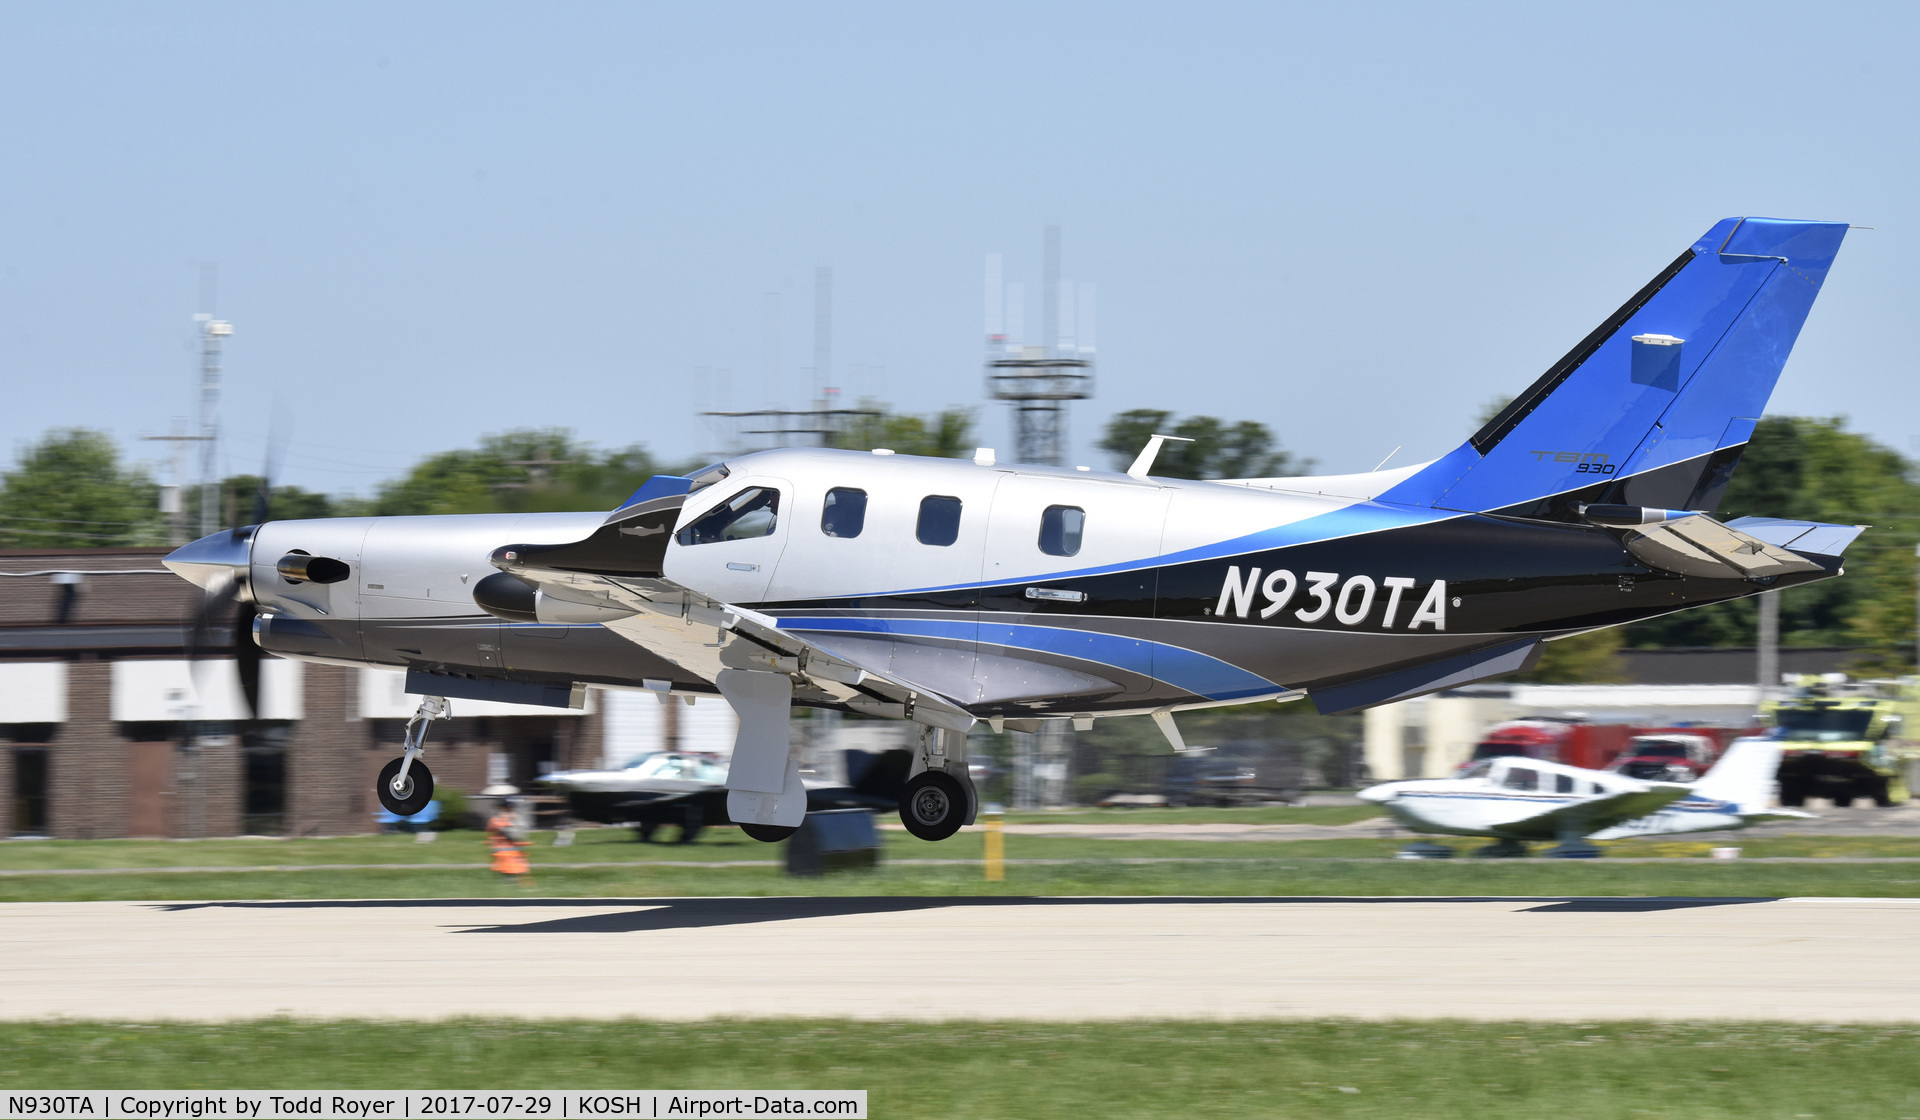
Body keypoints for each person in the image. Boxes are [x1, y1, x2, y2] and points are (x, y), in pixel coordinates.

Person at [484, 788, 534, 886]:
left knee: (518, 868)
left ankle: (514, 883)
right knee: (507, 868)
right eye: (507, 810)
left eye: (512, 810)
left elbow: (520, 833)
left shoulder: (516, 819)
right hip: (503, 851)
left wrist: (514, 824)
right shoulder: (497, 820)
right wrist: (508, 824)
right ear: (501, 809)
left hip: (514, 851)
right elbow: (498, 828)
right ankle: (508, 883)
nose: (510, 813)